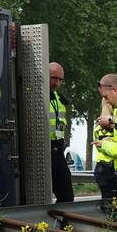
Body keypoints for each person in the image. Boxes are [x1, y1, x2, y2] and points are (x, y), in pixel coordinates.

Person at [48, 62, 74, 202]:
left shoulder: (59, 99)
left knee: (67, 196)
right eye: (53, 78)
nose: (57, 82)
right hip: (42, 150)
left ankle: (62, 224)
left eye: (60, 79)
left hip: (58, 151)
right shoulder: (35, 96)